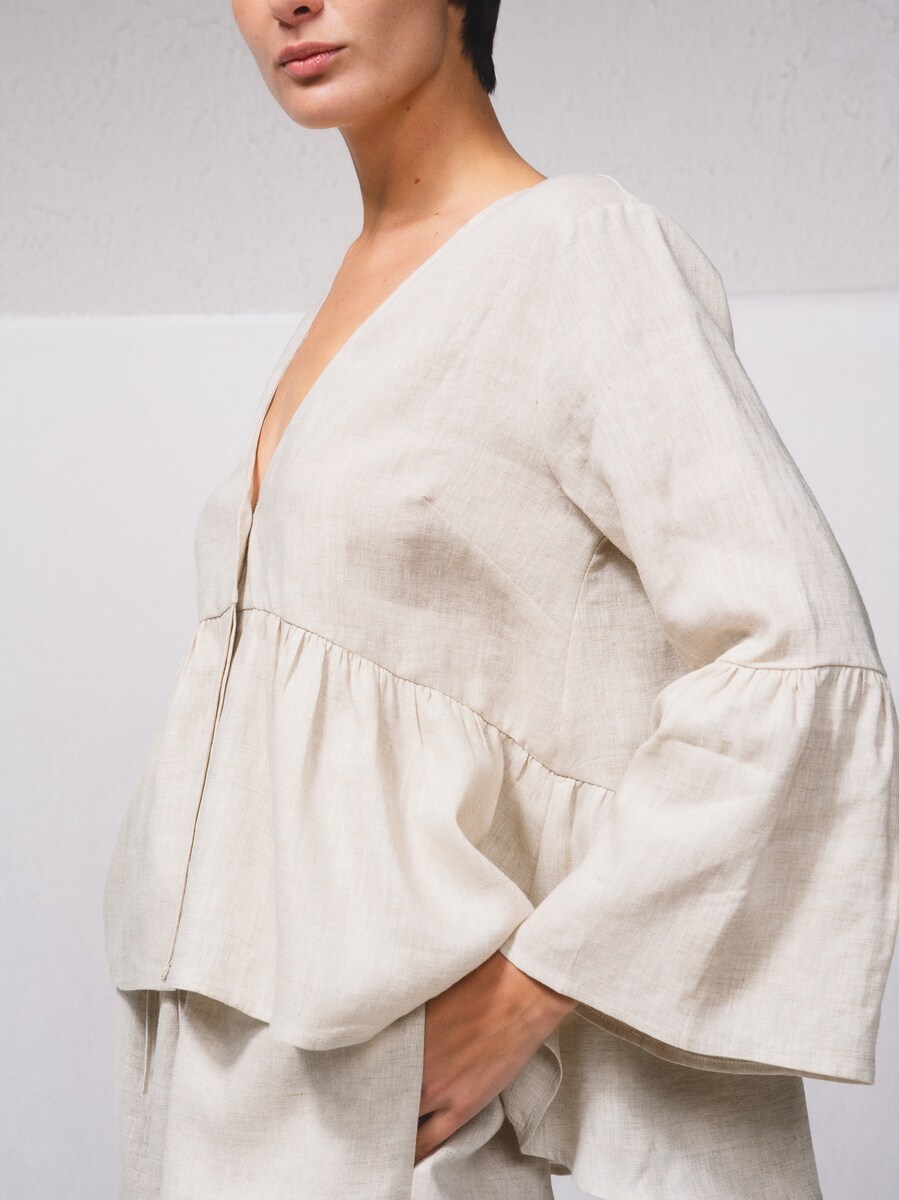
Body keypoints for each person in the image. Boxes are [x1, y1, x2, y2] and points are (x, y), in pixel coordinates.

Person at [103, 2, 899, 1198]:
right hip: (260, 1066)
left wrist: (534, 989)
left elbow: (790, 655)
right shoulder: (355, 286)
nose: (287, 4)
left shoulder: (581, 250)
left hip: (435, 1098)